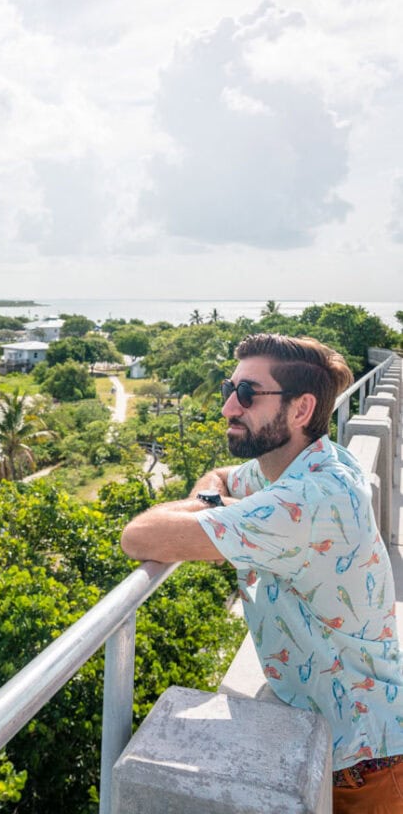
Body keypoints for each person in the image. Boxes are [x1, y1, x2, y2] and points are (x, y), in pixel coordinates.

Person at [121, 333, 403, 813]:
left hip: (364, 765)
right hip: (341, 735)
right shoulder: (300, 464)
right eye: (229, 389)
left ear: (300, 409)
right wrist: (214, 506)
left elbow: (138, 536)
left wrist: (213, 516)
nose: (230, 406)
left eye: (248, 393)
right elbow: (222, 477)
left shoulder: (309, 500)